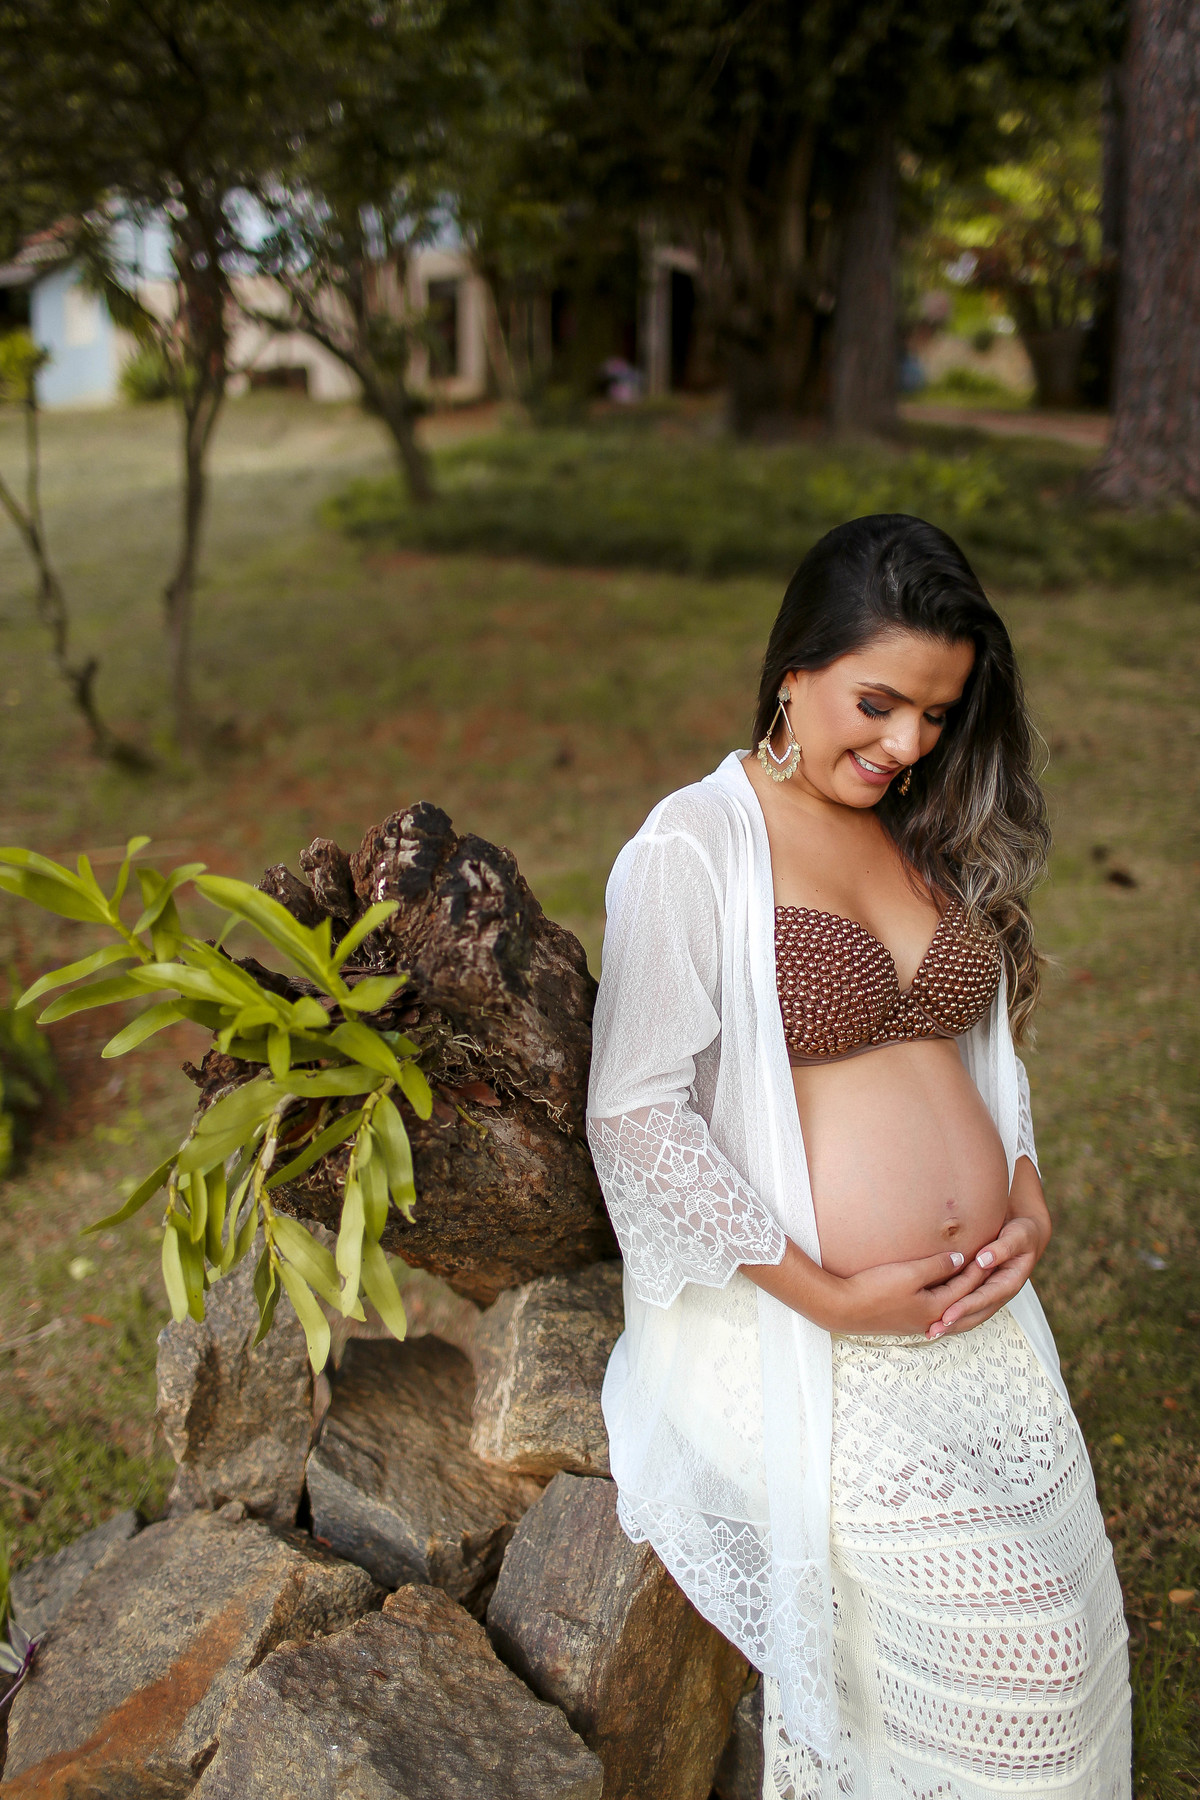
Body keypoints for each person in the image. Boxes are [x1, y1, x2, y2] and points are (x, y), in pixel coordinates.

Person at [586, 515, 1131, 1799]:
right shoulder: (692, 846)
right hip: (791, 1338)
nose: (904, 747)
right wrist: (832, 1294)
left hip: (976, 1326)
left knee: (1075, 1616)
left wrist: (1028, 1197)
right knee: (1024, 1645)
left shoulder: (920, 823)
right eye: (877, 704)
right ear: (795, 670)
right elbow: (635, 1113)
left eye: (936, 716)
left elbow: (985, 1045)